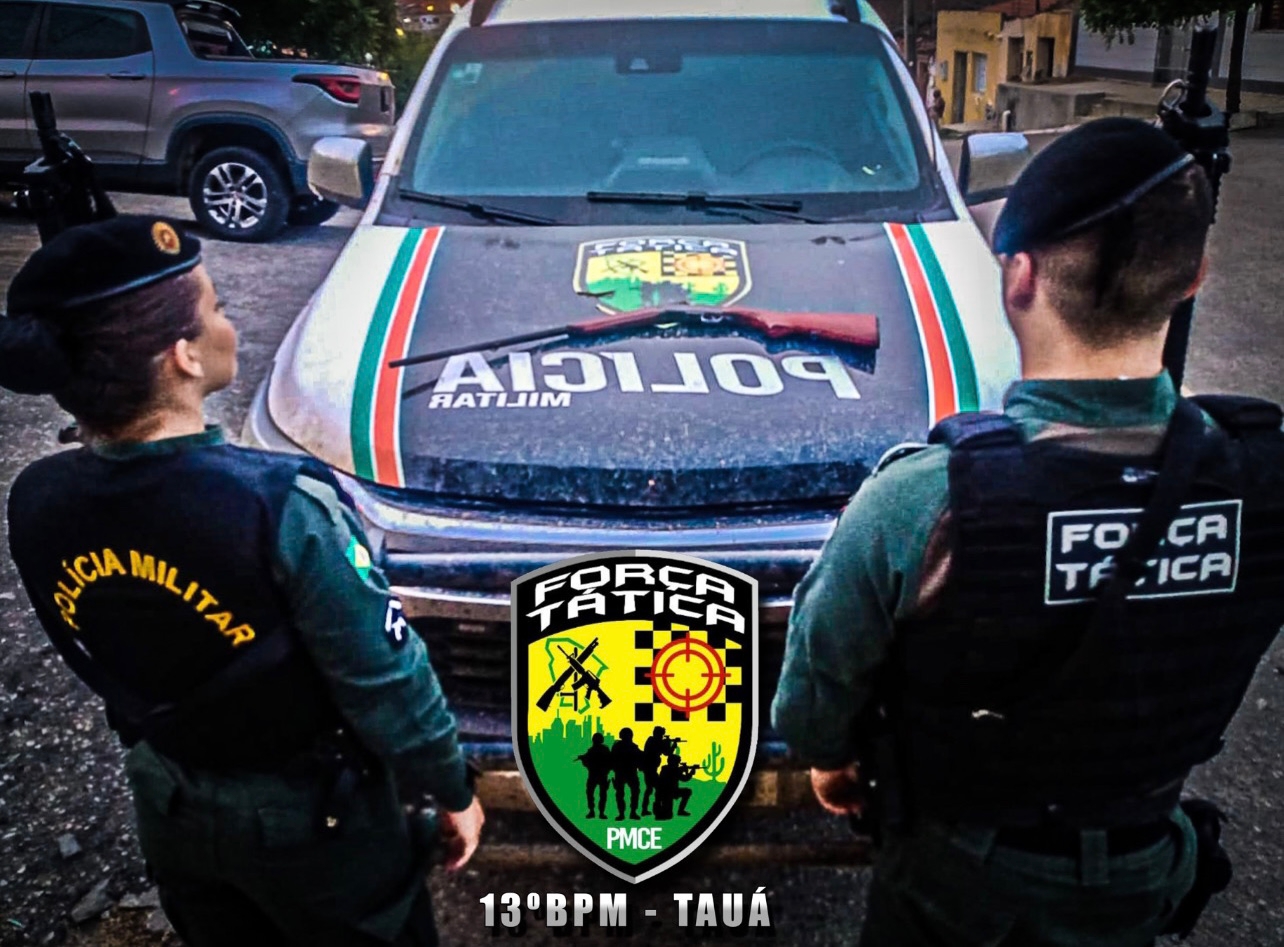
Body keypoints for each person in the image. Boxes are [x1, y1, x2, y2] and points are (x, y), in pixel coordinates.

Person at [771, 117, 1284, 946]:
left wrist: (831, 759)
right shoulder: (1264, 476)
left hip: (957, 878)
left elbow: (813, 692)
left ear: (1019, 276)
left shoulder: (923, 500)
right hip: (1143, 863)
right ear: (1194, 277)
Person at [1, 216, 485, 947]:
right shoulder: (282, 503)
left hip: (168, 801)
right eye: (218, 308)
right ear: (185, 356)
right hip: (315, 826)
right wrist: (450, 786)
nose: (229, 323)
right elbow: (385, 680)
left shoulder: (35, 496)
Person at [609, 726, 643, 820]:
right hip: (624, 773)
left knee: (628, 793)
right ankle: (627, 813)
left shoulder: (628, 746)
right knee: (624, 793)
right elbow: (612, 759)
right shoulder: (622, 746)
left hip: (627, 773)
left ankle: (628, 813)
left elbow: (640, 757)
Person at [576, 732, 612, 819]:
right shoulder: (602, 749)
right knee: (600, 794)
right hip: (600, 775)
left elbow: (587, 763)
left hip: (595, 775)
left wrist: (583, 759)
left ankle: (594, 812)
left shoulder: (593, 750)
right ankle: (599, 812)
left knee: (593, 794)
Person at [639, 724, 669, 816]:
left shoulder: (653, 740)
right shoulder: (653, 741)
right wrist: (668, 744)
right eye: (661, 734)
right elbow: (666, 752)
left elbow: (666, 752)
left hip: (651, 769)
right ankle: (655, 808)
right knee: (656, 788)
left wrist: (667, 744)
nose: (662, 736)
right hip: (650, 769)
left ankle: (646, 809)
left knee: (650, 789)